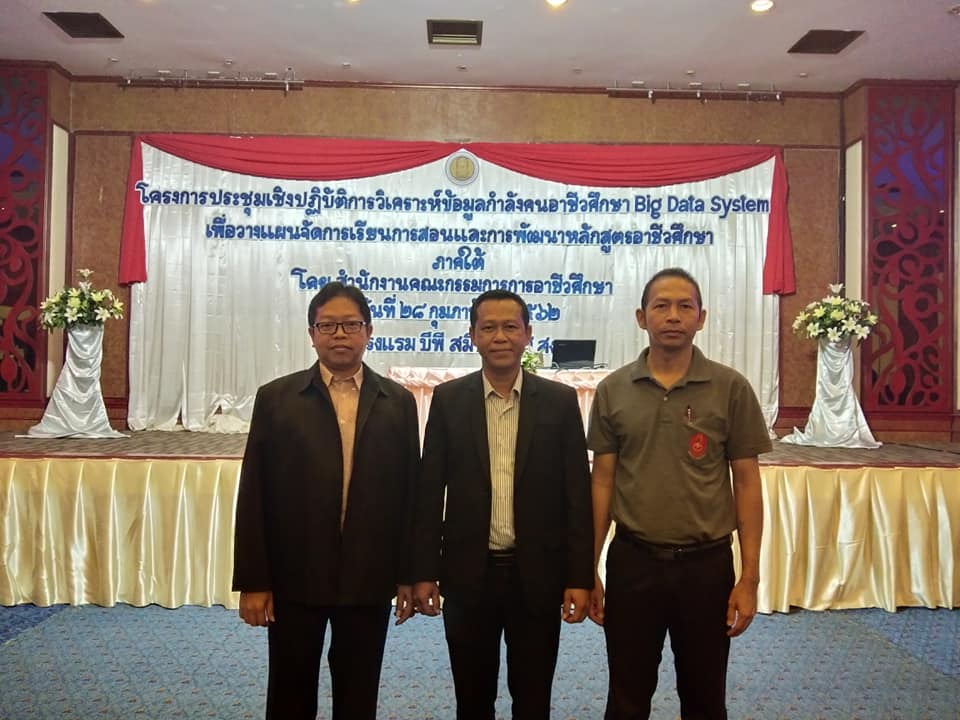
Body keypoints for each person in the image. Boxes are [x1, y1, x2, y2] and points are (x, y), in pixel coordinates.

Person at [587, 267, 771, 720]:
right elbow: (602, 481)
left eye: (685, 306)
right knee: (626, 698)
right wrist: (587, 567)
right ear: (641, 317)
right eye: (661, 306)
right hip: (633, 564)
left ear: (701, 318)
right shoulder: (613, 390)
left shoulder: (730, 388)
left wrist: (749, 577)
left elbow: (747, 482)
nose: (673, 316)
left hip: (706, 568)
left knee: (705, 698)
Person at [232, 281, 420, 720]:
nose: (339, 334)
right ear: (311, 334)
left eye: (350, 325)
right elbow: (255, 494)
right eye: (328, 325)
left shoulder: (398, 402)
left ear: (368, 332)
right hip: (295, 575)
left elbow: (410, 495)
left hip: (368, 577)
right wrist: (254, 581)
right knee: (290, 693)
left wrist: (409, 575)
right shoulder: (277, 399)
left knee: (358, 695)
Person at [412, 289, 594, 720]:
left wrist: (579, 577)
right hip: (467, 577)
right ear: (472, 336)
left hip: (538, 576)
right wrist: (423, 572)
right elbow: (429, 492)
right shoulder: (449, 400)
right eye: (488, 327)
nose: (500, 337)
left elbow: (576, 496)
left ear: (528, 334)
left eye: (510, 327)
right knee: (473, 699)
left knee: (533, 698)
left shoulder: (560, 403)